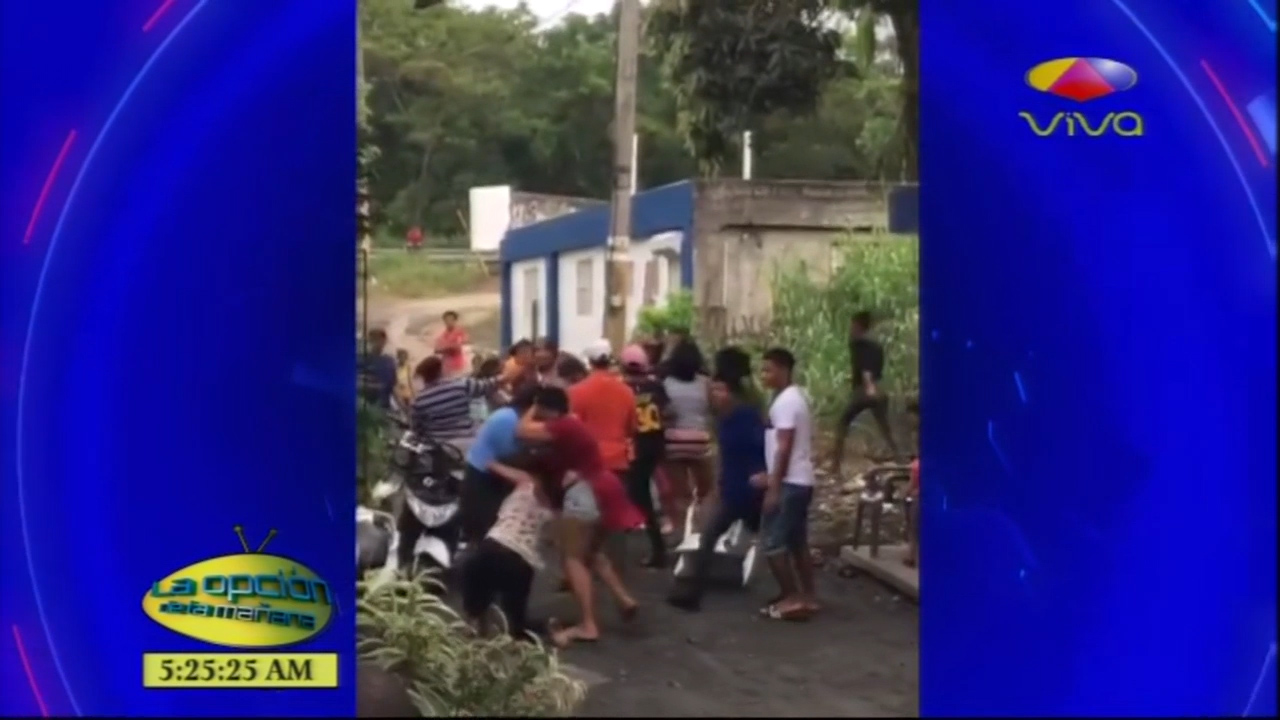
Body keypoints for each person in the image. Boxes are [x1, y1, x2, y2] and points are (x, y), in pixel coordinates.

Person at [516, 386, 642, 647]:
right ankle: (623, 598)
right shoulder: (566, 434)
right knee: (592, 553)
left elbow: (522, 430)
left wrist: (531, 408)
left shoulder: (564, 425)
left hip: (585, 493)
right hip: (603, 487)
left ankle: (588, 625)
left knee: (572, 558)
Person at [667, 372, 767, 612]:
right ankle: (692, 595)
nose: (716, 395)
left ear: (731, 392)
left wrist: (767, 475)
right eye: (713, 390)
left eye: (721, 390)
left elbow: (767, 447)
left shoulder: (747, 417)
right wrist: (717, 488)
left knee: (779, 542)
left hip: (752, 488)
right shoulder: (723, 420)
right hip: (733, 490)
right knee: (709, 536)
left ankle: (797, 592)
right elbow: (724, 458)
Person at [458, 462, 559, 641]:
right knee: (516, 625)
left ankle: (474, 621)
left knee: (476, 594)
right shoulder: (553, 512)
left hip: (489, 550)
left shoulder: (524, 486)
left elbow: (500, 469)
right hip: (519, 563)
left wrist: (490, 462)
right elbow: (552, 540)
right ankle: (544, 630)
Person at [753, 347, 819, 621]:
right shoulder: (794, 397)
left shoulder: (786, 403)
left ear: (783, 369)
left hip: (791, 482)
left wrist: (774, 486)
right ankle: (808, 595)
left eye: (768, 369)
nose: (764, 375)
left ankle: (792, 595)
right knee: (796, 541)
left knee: (773, 543)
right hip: (798, 479)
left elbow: (784, 445)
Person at [459, 385, 538, 543]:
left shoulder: (509, 415)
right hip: (482, 479)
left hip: (485, 475)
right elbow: (507, 459)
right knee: (482, 532)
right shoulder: (509, 421)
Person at [619, 343, 670, 567]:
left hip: (634, 445)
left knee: (639, 495)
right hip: (655, 443)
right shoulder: (655, 386)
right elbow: (668, 411)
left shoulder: (621, 388)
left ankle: (657, 549)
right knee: (639, 493)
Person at [833, 311, 900, 472]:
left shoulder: (859, 345)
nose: (850, 329)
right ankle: (900, 457)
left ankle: (835, 465)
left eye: (852, 325)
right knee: (885, 426)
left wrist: (868, 387)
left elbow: (865, 367)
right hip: (880, 389)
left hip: (865, 390)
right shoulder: (876, 345)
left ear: (857, 326)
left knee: (842, 422)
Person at [660, 338, 715, 537]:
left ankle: (682, 531)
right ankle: (703, 530)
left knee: (680, 494)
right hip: (700, 440)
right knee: (706, 491)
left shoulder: (665, 383)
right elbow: (713, 409)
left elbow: (664, 412)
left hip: (673, 442)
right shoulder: (705, 383)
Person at [411, 356, 521, 449]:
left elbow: (417, 429)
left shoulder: (419, 400)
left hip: (439, 448)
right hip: (467, 442)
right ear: (440, 370)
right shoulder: (460, 385)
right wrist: (508, 376)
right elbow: (487, 385)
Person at [359, 329, 398, 408]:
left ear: (384, 341)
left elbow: (393, 386)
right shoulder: (362, 360)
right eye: (373, 340)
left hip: (384, 406)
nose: (376, 343)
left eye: (379, 340)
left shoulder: (389, 361)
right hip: (367, 407)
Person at [433, 311, 469, 376]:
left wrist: (444, 348)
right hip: (446, 364)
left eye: (451, 320)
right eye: (446, 320)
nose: (448, 322)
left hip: (457, 364)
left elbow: (457, 347)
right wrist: (446, 348)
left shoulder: (460, 332)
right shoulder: (443, 334)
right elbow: (436, 350)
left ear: (455, 321)